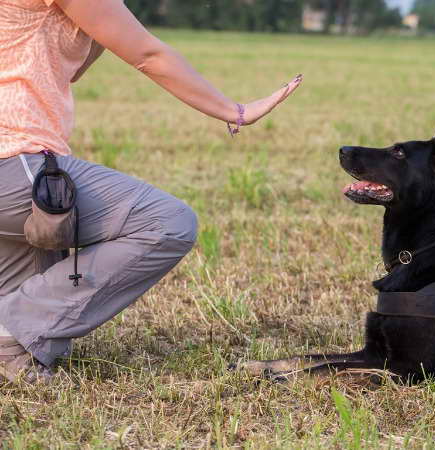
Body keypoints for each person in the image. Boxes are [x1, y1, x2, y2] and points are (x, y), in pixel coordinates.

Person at [0, 0, 302, 383]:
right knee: (167, 222)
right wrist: (235, 111)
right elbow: (147, 54)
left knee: (27, 303)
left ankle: (11, 345)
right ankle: (11, 326)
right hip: (14, 157)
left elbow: (76, 64)